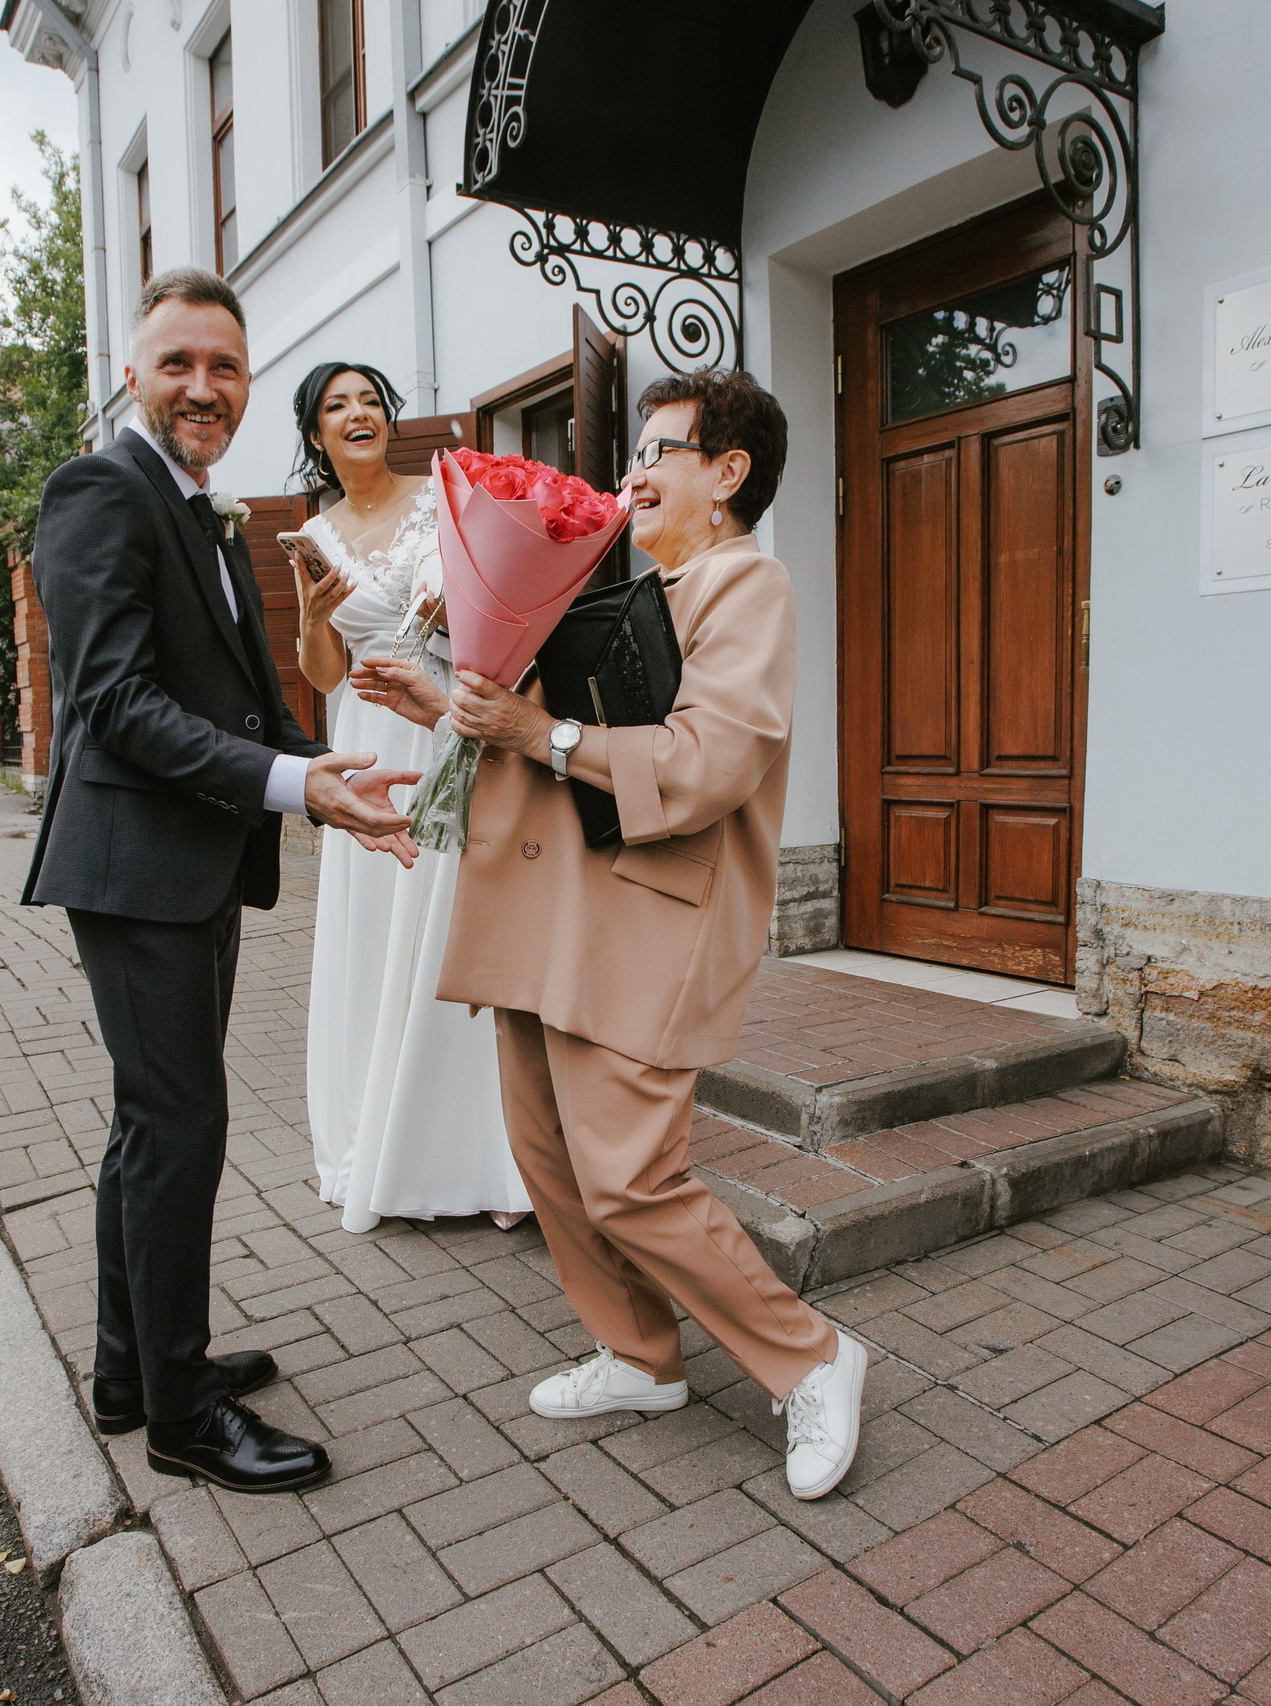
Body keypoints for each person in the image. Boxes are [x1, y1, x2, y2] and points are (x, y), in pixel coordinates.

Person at [351, 367, 867, 1500]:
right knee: (547, 1154)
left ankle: (813, 1355)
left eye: (661, 452)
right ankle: (640, 1354)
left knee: (631, 1175)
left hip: (645, 917)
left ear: (728, 473)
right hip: (550, 909)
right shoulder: (629, 583)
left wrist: (537, 730)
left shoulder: (747, 585)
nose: (631, 472)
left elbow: (708, 757)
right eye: (634, 452)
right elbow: (551, 732)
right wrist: (451, 706)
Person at [20, 268, 418, 1495]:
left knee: (151, 1127)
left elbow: (225, 697)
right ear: (134, 374)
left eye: (227, 366)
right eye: (180, 362)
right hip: (135, 866)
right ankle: (183, 1415)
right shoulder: (102, 487)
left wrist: (316, 771)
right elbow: (116, 705)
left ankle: (134, 1369)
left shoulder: (198, 498)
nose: (205, 386)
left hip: (186, 862)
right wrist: (295, 788)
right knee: (179, 1125)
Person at [285, 359, 531, 1235]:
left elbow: (498, 608)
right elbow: (320, 674)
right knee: (378, 936)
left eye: (370, 401)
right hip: (366, 738)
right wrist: (316, 616)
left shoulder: (443, 495)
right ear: (316, 434)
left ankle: (485, 1156)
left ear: (389, 419)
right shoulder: (312, 533)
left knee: (453, 929)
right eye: (336, 406)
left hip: (443, 725)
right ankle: (386, 1142)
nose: (358, 413)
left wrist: (458, 606)